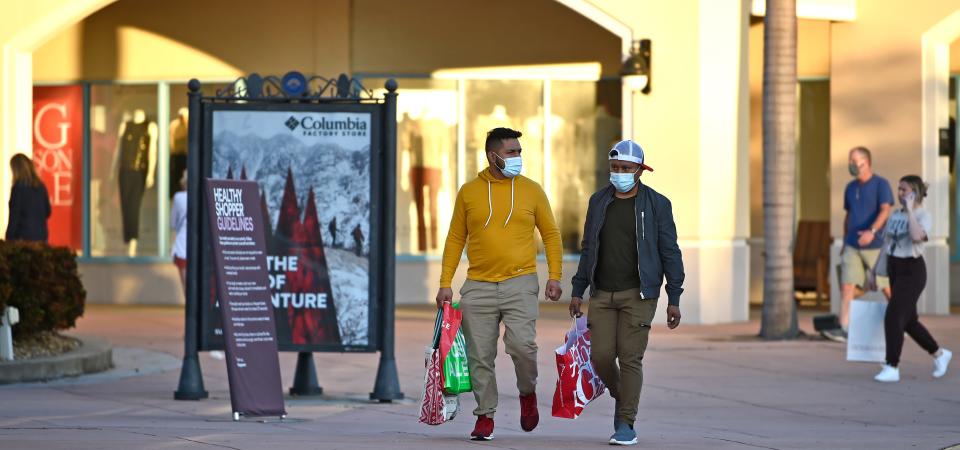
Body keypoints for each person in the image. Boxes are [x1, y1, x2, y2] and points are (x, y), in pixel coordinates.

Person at [436, 127, 563, 441]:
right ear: (492, 156)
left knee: (523, 347)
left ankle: (527, 393)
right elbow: (455, 239)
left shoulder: (532, 190)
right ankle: (485, 415)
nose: (518, 157)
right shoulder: (469, 192)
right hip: (477, 285)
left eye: (519, 151)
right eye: (511, 152)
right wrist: (445, 282)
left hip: (520, 282)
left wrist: (555, 276)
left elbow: (551, 234)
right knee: (480, 356)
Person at [568, 140, 684, 446]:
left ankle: (626, 423)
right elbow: (588, 247)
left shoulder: (657, 204)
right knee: (601, 356)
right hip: (603, 294)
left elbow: (670, 251)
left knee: (631, 357)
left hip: (639, 294)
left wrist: (674, 298)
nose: (619, 173)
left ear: (640, 171)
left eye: (626, 169)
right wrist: (578, 289)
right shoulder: (598, 201)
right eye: (615, 168)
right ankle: (624, 394)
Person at [868, 175, 951, 382]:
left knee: (893, 316)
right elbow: (886, 244)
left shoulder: (923, 215)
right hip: (895, 269)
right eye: (899, 189)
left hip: (913, 271)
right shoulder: (895, 215)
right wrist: (874, 272)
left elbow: (916, 237)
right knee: (909, 321)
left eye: (904, 190)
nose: (900, 193)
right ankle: (940, 354)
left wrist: (911, 210)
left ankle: (892, 366)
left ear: (914, 192)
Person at [826, 146, 894, 342]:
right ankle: (844, 328)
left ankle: (904, 322)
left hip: (875, 245)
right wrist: (844, 240)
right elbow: (849, 215)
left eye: (856, 161)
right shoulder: (850, 187)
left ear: (867, 163)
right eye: (850, 161)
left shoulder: (881, 184)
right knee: (847, 285)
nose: (852, 165)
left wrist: (872, 232)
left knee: (886, 287)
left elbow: (885, 210)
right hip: (852, 245)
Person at [6, 153, 51, 243]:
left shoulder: (18, 188)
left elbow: (14, 217)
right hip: (41, 236)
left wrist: (8, 239)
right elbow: (48, 212)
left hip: (23, 239)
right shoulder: (41, 186)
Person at [170, 170, 188, 289]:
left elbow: (172, 223)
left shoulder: (178, 197)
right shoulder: (203, 195)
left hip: (182, 245)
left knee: (186, 285)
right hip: (199, 246)